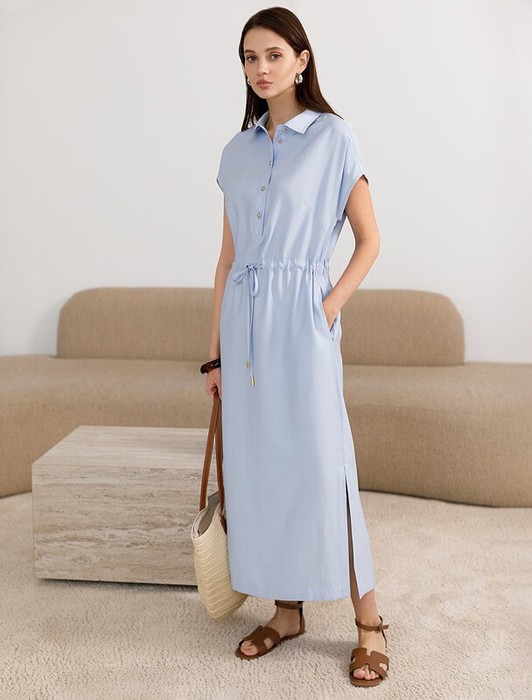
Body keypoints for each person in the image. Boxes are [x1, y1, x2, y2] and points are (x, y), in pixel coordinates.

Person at [202, 6, 389, 688]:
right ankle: (287, 613)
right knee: (262, 470)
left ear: (302, 60)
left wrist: (326, 308)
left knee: (324, 467)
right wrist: (214, 354)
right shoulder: (237, 151)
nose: (261, 68)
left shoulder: (334, 137)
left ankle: (370, 623)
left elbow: (369, 241)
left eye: (274, 55)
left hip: (304, 322)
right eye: (250, 57)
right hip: (244, 327)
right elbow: (227, 261)